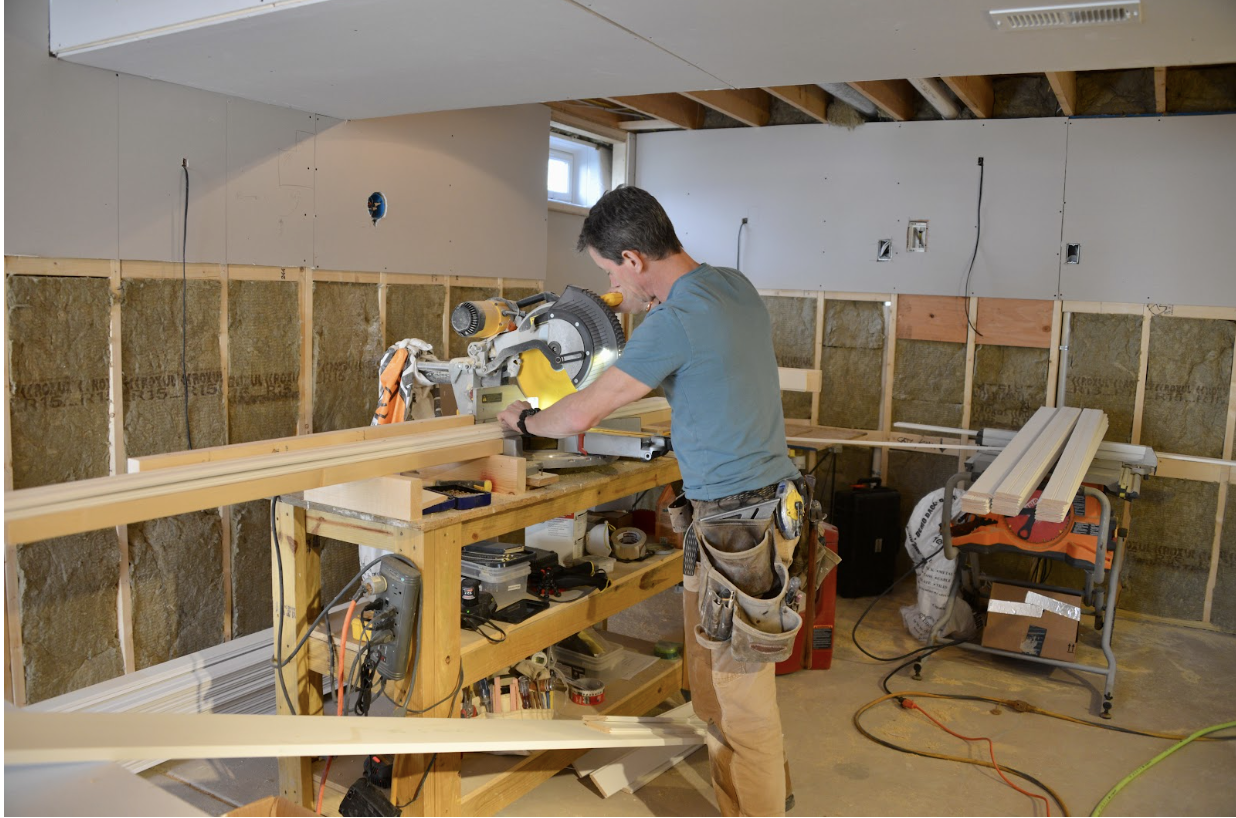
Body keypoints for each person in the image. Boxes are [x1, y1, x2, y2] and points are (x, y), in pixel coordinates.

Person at [499, 185, 801, 817]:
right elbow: (700, 375)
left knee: (742, 702)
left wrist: (526, 420)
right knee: (711, 685)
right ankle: (751, 798)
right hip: (746, 514)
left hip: (739, 526)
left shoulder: (674, 321)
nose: (613, 288)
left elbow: (586, 409)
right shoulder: (732, 286)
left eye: (611, 272)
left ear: (634, 259)